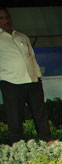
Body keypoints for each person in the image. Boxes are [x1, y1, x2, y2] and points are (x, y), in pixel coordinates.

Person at [0, 7, 51, 144]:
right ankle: (18, 146)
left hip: (32, 80)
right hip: (11, 82)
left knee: (40, 113)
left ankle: (47, 141)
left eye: (7, 17)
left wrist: (38, 76)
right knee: (15, 116)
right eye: (1, 18)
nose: (6, 20)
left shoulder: (22, 36)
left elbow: (32, 57)